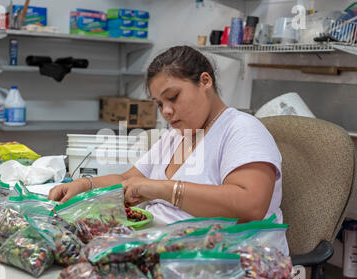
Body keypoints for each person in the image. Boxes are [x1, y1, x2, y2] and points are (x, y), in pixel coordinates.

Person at [48, 45, 288, 255]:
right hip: (163, 245)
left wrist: (163, 189)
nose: (166, 111)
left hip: (224, 260)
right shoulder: (177, 135)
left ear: (205, 81)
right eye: (160, 104)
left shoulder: (241, 129)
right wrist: (84, 186)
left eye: (173, 97)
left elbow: (251, 204)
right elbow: (127, 180)